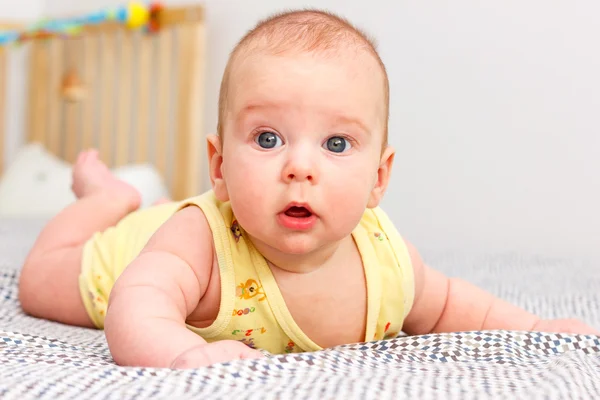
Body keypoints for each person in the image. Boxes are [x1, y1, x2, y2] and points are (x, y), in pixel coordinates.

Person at [18, 9, 598, 369]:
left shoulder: (387, 262)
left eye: (337, 145)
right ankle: (108, 198)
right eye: (267, 138)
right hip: (126, 251)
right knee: (39, 284)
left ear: (379, 178)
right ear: (218, 165)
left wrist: (536, 328)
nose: (299, 167)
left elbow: (452, 305)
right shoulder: (200, 239)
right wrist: (179, 354)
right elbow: (135, 307)